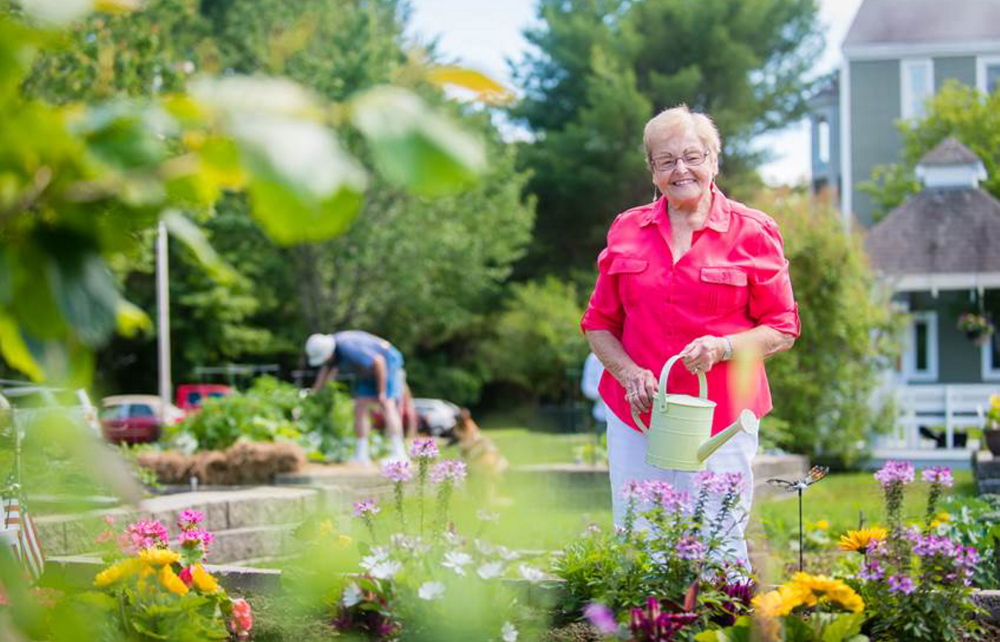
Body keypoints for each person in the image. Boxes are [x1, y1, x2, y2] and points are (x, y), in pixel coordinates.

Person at [580, 105, 799, 569]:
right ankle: (649, 630)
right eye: (667, 160)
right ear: (653, 171)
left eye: (693, 156)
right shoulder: (626, 229)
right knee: (640, 539)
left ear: (714, 161)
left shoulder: (753, 232)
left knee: (718, 535)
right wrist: (628, 372)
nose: (682, 169)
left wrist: (723, 348)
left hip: (722, 417)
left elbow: (782, 327)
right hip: (637, 415)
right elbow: (598, 323)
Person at [306, 331, 409, 464]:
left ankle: (399, 453)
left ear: (328, 351)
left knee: (387, 405)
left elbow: (379, 362)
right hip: (367, 371)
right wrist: (315, 391)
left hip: (386, 362)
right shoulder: (332, 353)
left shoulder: (348, 347)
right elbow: (326, 371)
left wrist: (381, 392)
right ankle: (361, 455)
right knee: (359, 407)